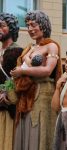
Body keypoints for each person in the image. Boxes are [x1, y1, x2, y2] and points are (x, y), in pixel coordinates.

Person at [10, 10, 62, 150]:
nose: (30, 29)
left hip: (44, 93)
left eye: (33, 25)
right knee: (26, 129)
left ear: (43, 25)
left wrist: (22, 71)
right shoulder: (29, 48)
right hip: (26, 95)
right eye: (28, 25)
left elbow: (47, 70)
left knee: (39, 132)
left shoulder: (52, 46)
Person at [0, 12, 23, 150]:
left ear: (12, 28)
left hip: (9, 109)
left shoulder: (18, 51)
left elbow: (16, 78)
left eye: (2, 26)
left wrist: (4, 91)